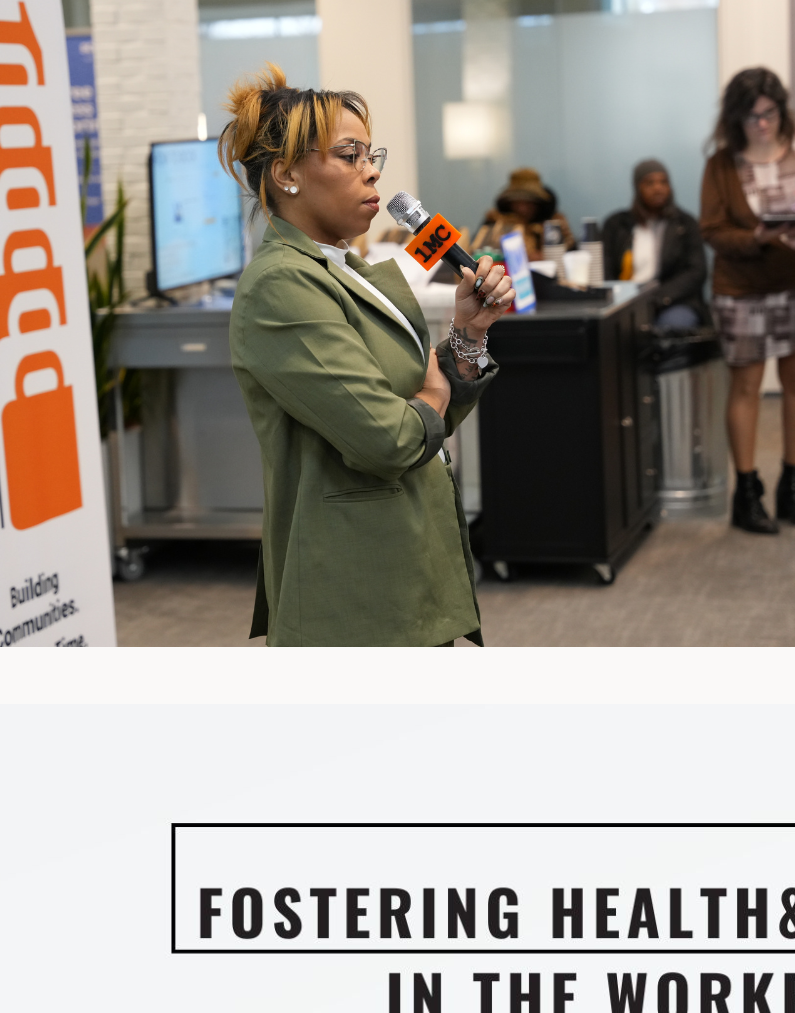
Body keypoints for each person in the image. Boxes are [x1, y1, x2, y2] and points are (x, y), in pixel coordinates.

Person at [221, 66, 514, 646]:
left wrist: (468, 336)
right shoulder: (280, 286)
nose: (372, 170)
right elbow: (391, 437)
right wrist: (429, 394)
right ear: (286, 175)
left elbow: (422, 417)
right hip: (353, 590)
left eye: (370, 154)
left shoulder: (346, 270)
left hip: (409, 559)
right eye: (349, 155)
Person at [698, 66, 795, 535]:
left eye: (769, 113)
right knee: (745, 389)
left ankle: (793, 486)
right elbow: (713, 230)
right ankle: (747, 494)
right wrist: (758, 236)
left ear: (781, 109)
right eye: (751, 117)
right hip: (743, 290)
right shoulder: (722, 164)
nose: (762, 124)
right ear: (734, 119)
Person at [599, 159, 709, 330]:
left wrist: (657, 298)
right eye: (650, 183)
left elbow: (696, 271)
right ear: (638, 188)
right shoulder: (616, 225)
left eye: (663, 182)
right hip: (624, 301)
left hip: (672, 301)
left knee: (672, 327)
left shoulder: (685, 224)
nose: (658, 188)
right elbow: (604, 268)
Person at [469, 169, 574, 258]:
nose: (522, 208)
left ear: (538, 204)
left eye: (529, 203)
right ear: (508, 203)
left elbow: (572, 255)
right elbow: (478, 254)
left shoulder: (554, 223)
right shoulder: (495, 220)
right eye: (517, 202)